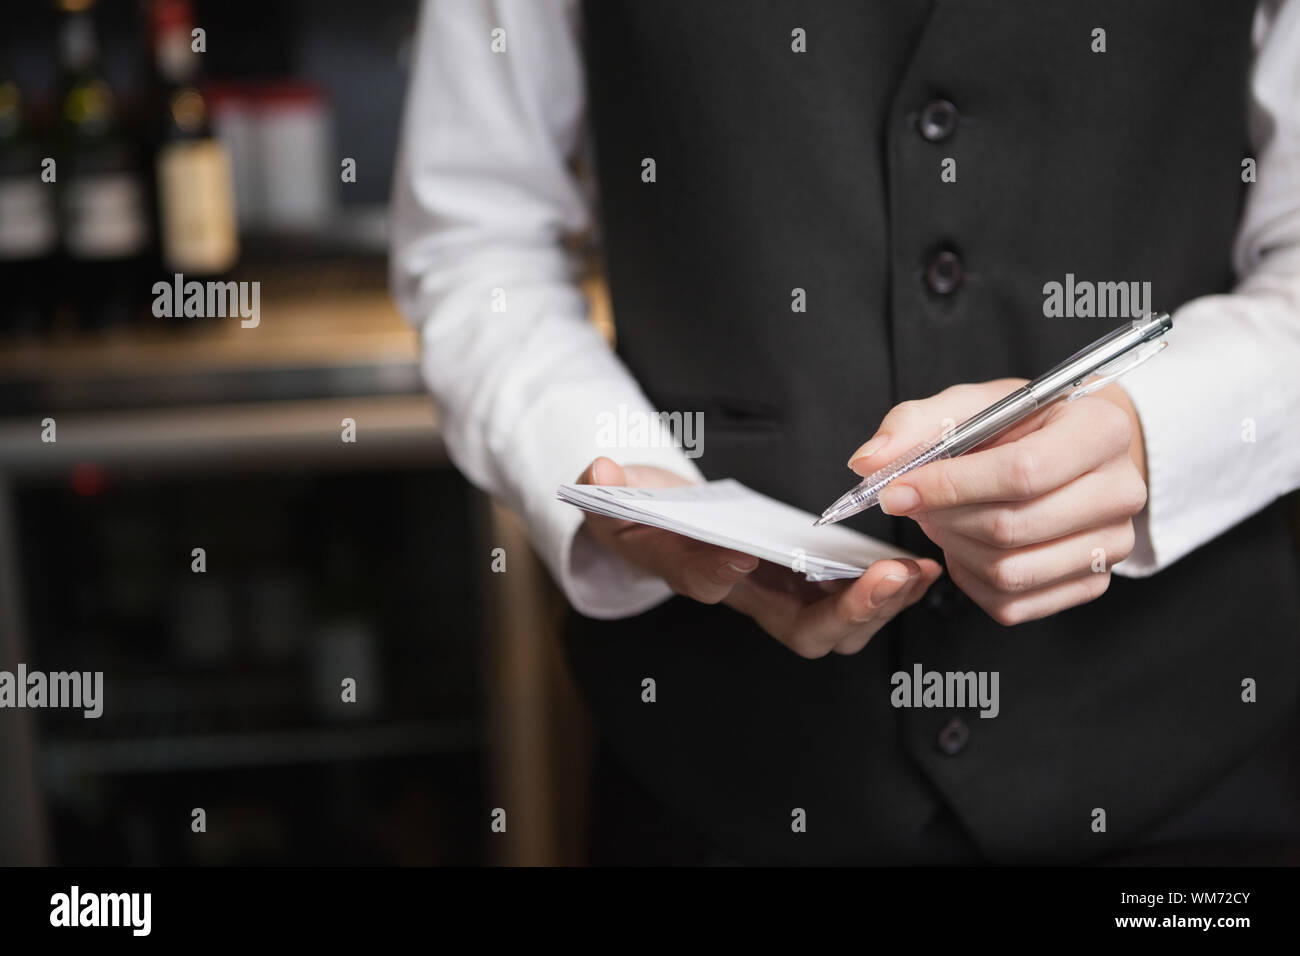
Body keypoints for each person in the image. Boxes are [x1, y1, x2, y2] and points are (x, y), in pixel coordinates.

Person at [391, 0, 1300, 864]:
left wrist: (1150, 434)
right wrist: (624, 474)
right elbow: (478, 236)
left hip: (1194, 771)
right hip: (720, 776)